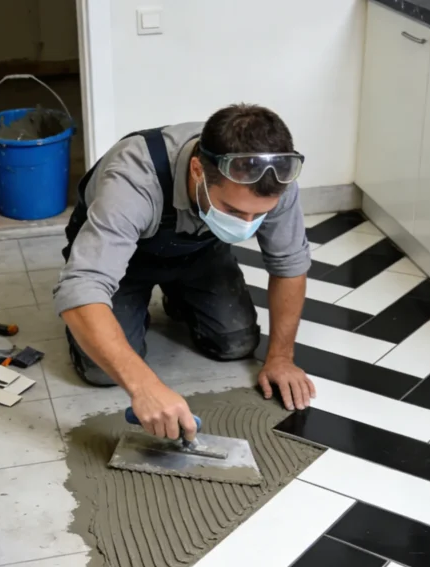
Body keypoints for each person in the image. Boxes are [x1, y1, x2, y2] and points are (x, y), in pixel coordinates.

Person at [54, 104, 315, 442]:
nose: (246, 225)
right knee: (100, 371)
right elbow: (82, 286)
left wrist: (281, 358)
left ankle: (179, 294)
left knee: (236, 343)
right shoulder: (133, 178)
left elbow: (289, 265)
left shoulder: (276, 176)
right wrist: (145, 387)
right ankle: (134, 304)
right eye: (233, 211)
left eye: (258, 215)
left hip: (199, 253)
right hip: (126, 262)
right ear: (197, 170)